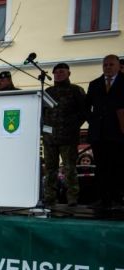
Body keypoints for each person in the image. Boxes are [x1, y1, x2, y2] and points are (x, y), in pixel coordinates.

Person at [42, 63, 86, 207]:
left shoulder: (76, 90)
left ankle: (72, 197)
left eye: (62, 72)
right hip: (50, 138)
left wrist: (73, 126)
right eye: (56, 72)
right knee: (50, 169)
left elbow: (84, 111)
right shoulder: (48, 91)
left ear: (68, 73)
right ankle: (50, 197)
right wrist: (44, 129)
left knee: (69, 168)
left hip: (68, 137)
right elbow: (42, 113)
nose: (58, 74)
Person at [85, 54, 124, 209]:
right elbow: (86, 106)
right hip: (98, 133)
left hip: (119, 133)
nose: (108, 67)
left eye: (111, 64)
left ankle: (117, 199)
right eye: (105, 65)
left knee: (118, 166)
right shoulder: (94, 84)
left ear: (118, 66)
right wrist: (92, 121)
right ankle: (102, 199)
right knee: (101, 167)